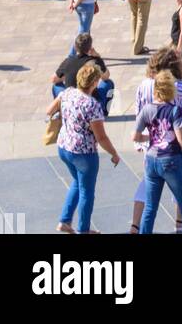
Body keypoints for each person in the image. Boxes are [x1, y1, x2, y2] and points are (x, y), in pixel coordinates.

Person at [131, 47, 182, 233]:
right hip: (172, 157)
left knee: (150, 206)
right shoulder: (174, 108)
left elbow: (136, 131)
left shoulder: (144, 92)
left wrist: (151, 138)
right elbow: (181, 138)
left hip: (152, 156)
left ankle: (137, 227)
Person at [48, 62, 120, 234]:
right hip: (84, 154)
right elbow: (101, 137)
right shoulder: (92, 105)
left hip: (64, 147)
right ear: (95, 83)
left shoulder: (67, 93)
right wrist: (114, 153)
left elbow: (49, 110)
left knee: (77, 183)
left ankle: (64, 221)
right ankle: (84, 230)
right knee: (87, 192)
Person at [52, 31, 115, 117]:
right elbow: (106, 76)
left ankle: (62, 109)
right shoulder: (95, 61)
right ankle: (103, 111)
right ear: (90, 48)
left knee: (56, 85)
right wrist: (97, 56)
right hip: (91, 100)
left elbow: (54, 79)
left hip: (72, 100)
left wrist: (67, 75)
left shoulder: (68, 61)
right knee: (108, 83)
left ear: (75, 47)